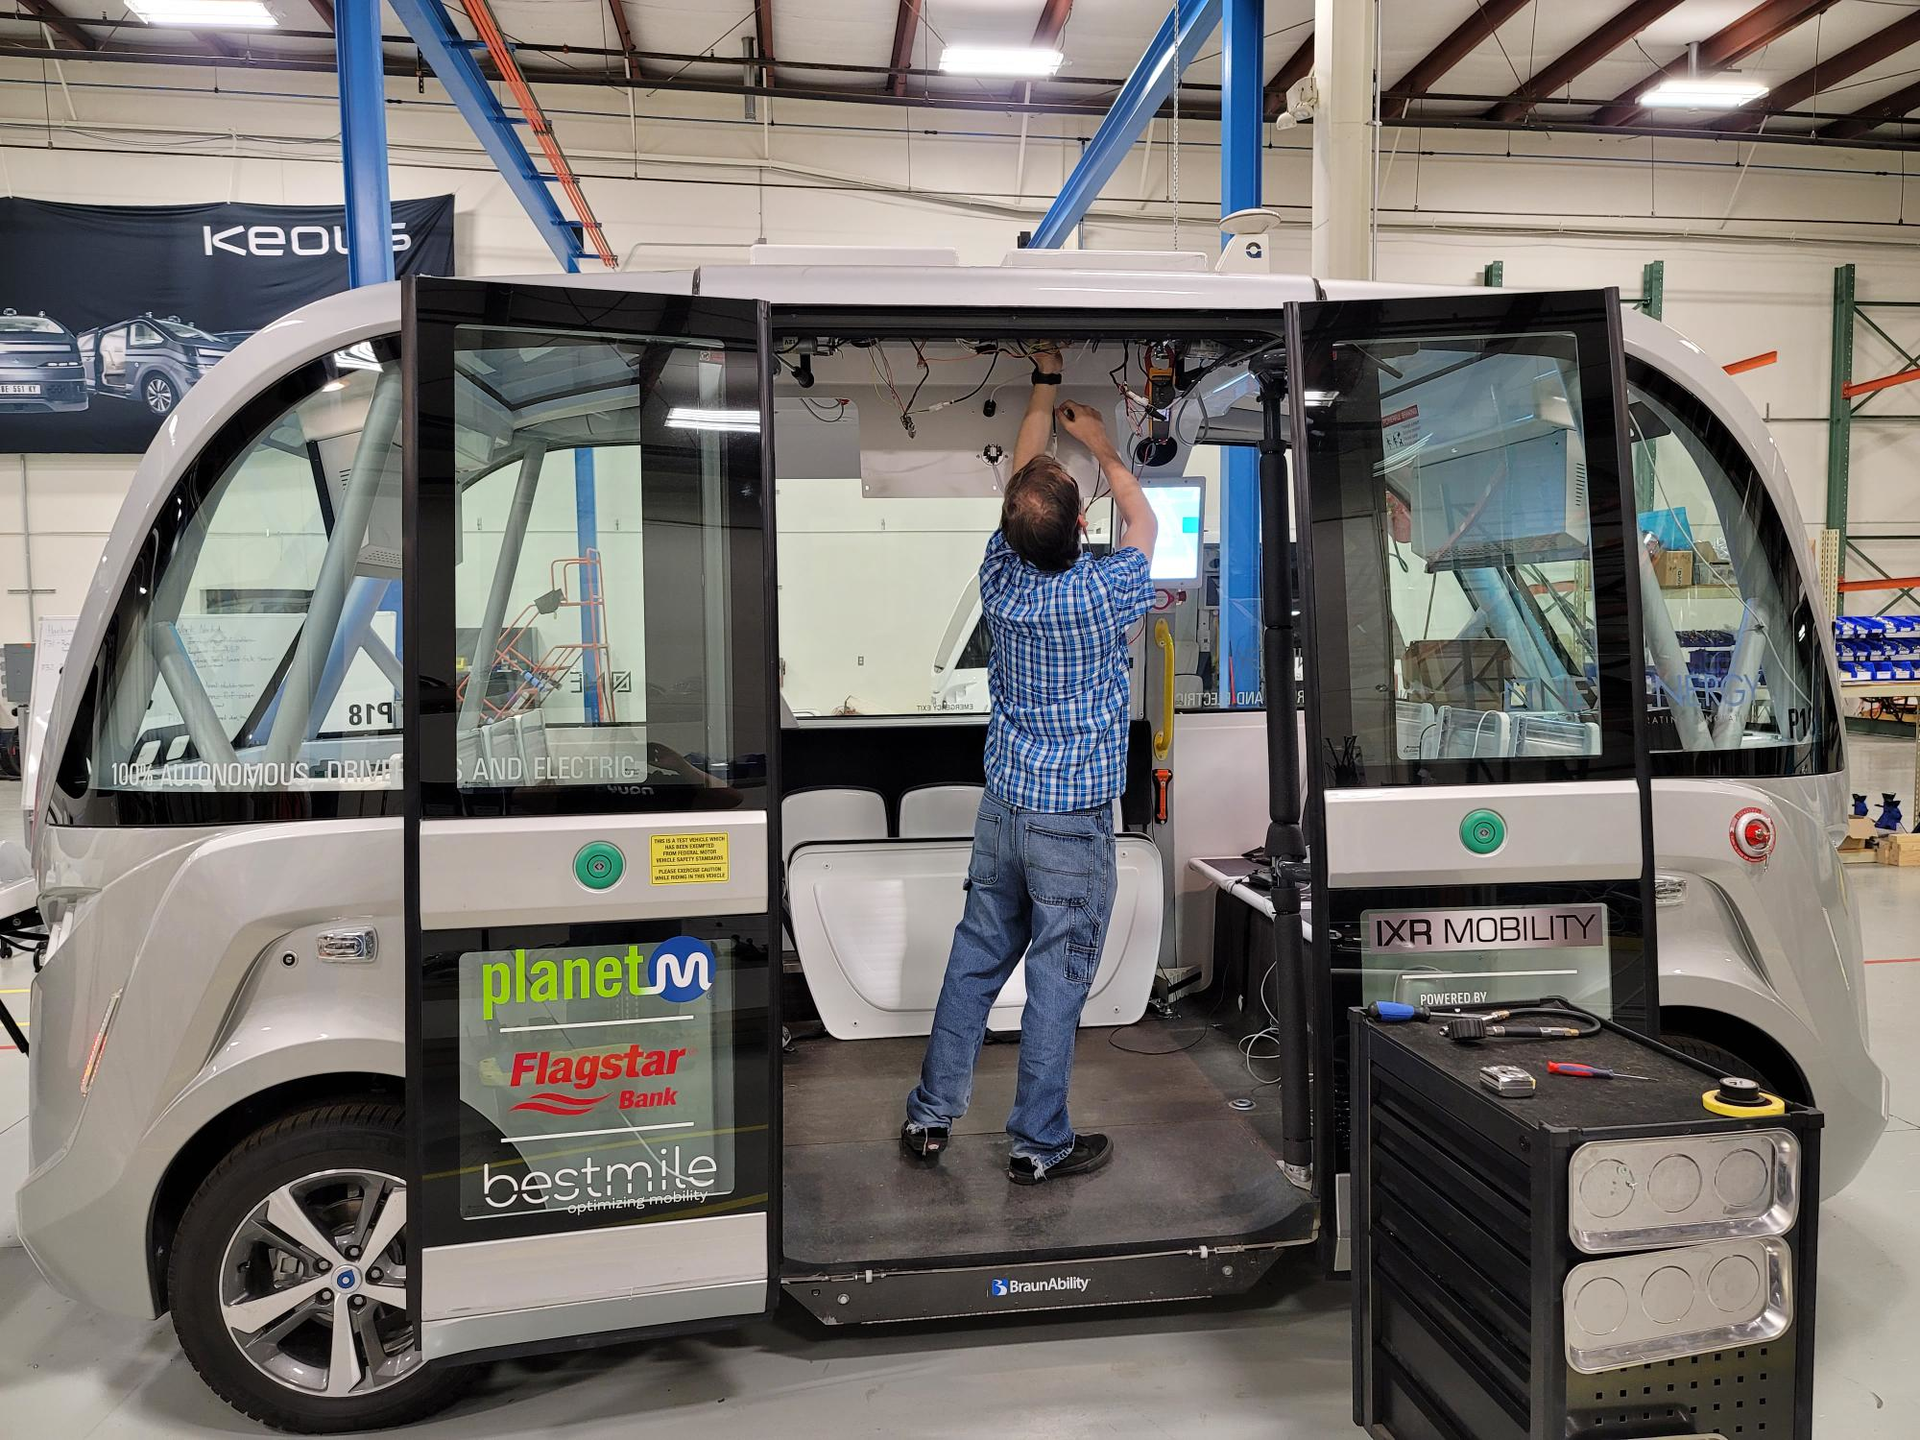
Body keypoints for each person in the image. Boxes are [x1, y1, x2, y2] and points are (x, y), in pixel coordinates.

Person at [902, 343, 1158, 1185]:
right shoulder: (1102, 591)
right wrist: (1105, 447)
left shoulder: (1001, 577)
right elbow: (1145, 524)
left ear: (1013, 530)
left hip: (1004, 807)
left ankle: (930, 1117)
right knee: (1056, 980)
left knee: (975, 960)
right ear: (1080, 528)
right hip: (1069, 825)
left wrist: (1043, 386)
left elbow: (1021, 480)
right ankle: (1038, 1143)